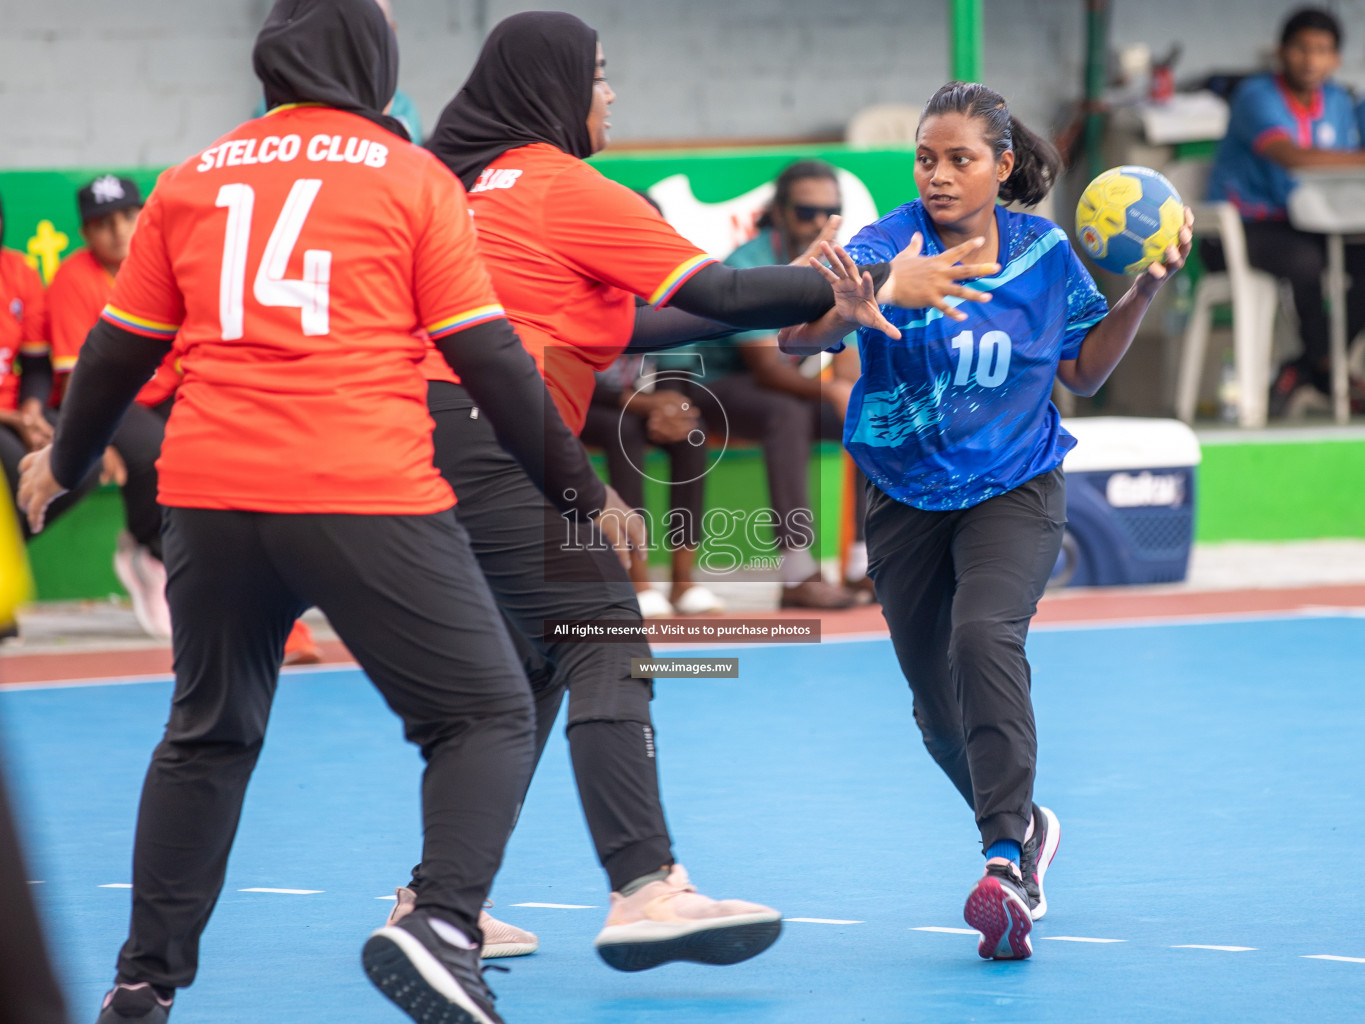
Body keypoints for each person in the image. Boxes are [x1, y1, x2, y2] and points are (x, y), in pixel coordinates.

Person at [18, 2, 634, 1022]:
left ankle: (141, 984)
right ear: (372, 58)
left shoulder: (194, 177)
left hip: (209, 494)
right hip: (360, 486)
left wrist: (65, 465)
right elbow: (494, 364)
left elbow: (120, 352)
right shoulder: (412, 178)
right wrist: (581, 491)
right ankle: (441, 924)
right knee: (485, 712)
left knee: (207, 733)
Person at [401, 10, 999, 972]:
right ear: (553, 88)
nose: (609, 93)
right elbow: (718, 298)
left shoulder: (483, 188)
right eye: (598, 75)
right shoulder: (562, 186)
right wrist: (881, 282)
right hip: (489, 439)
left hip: (434, 437)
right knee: (603, 637)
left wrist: (832, 291)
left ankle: (437, 902)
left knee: (535, 666)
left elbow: (633, 322)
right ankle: (645, 889)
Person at [780, 80, 1192, 960]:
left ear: (1002, 167)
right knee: (935, 714)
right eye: (925, 158)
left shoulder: (1043, 254)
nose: (937, 174)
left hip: (1014, 486)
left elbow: (1080, 371)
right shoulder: (888, 241)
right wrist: (858, 306)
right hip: (901, 495)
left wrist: (1144, 292)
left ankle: (1004, 861)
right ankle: (1029, 824)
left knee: (983, 638)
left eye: (959, 159)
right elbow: (796, 338)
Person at [677, 160, 871, 608]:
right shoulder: (749, 261)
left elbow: (850, 357)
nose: (821, 222)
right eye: (807, 211)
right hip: (721, 385)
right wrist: (836, 392)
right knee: (788, 411)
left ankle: (864, 564)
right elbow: (764, 369)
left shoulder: (839, 265)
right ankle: (798, 573)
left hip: (790, 392)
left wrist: (848, 391)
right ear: (780, 212)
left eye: (831, 211)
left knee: (870, 412)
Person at [1206, 6, 1365, 416]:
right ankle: (1325, 367)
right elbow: (1293, 157)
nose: (1311, 59)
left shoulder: (1339, 101)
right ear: (1281, 51)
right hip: (1238, 229)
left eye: (1322, 50)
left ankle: (1307, 368)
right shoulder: (1255, 95)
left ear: (1336, 59)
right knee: (1307, 261)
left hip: (1309, 224)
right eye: (1301, 48)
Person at [43, 176, 175, 638]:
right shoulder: (73, 278)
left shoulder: (162, 263)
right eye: (103, 223)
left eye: (127, 216)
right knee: (152, 448)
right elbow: (83, 378)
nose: (118, 231)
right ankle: (151, 553)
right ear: (84, 233)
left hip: (166, 390)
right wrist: (100, 440)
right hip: (108, 400)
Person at [580, 354, 718, 617]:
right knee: (624, 431)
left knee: (692, 433)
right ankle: (638, 581)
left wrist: (668, 410)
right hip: (586, 402)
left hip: (644, 403)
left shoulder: (663, 313)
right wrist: (641, 403)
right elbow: (572, 377)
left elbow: (675, 371)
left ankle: (682, 581)